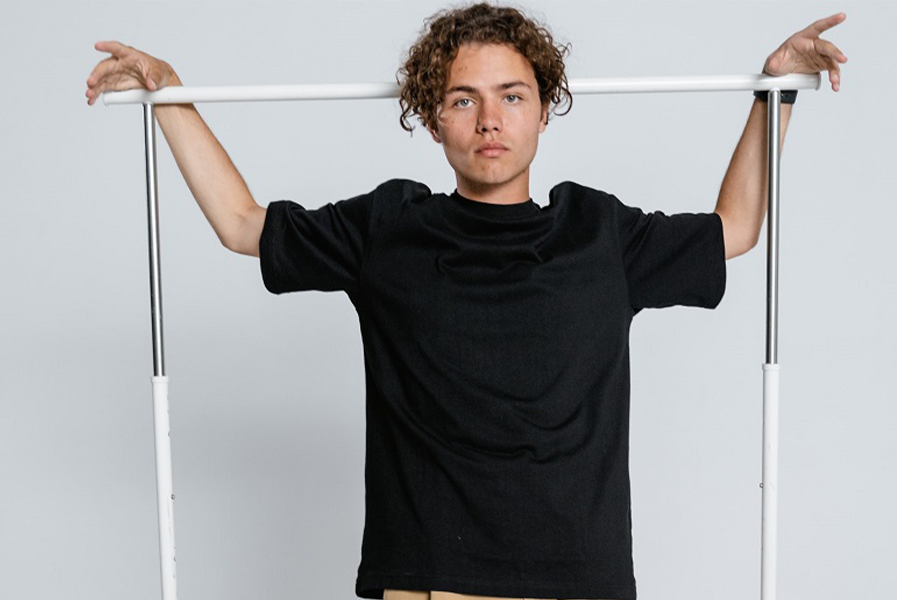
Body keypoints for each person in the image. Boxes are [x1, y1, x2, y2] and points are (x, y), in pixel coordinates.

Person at [85, 3, 847, 600]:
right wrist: (170, 94)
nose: (490, 120)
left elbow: (737, 227)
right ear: (431, 115)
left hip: (579, 573)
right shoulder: (388, 229)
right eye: (463, 99)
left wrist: (774, 90)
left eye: (512, 96)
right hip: (432, 570)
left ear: (544, 110)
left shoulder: (597, 233)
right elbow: (243, 223)